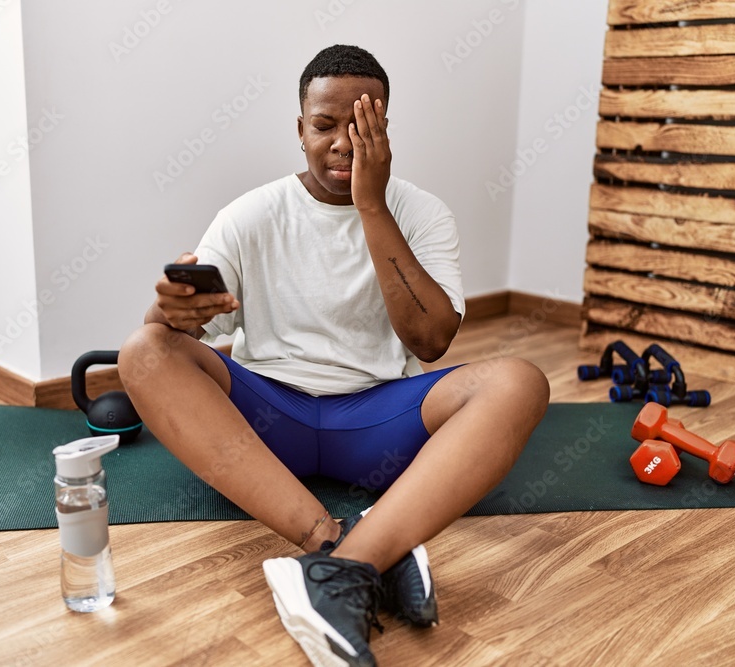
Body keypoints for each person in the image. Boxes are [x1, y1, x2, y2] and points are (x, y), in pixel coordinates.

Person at [119, 44, 549, 667]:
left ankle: (342, 570)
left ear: (384, 129)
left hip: (378, 420)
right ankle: (333, 540)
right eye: (325, 127)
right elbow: (174, 347)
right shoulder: (250, 215)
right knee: (144, 350)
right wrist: (170, 315)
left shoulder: (422, 213)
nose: (343, 144)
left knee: (520, 381)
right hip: (270, 423)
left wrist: (371, 206)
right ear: (299, 131)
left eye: (361, 127)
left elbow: (431, 341)